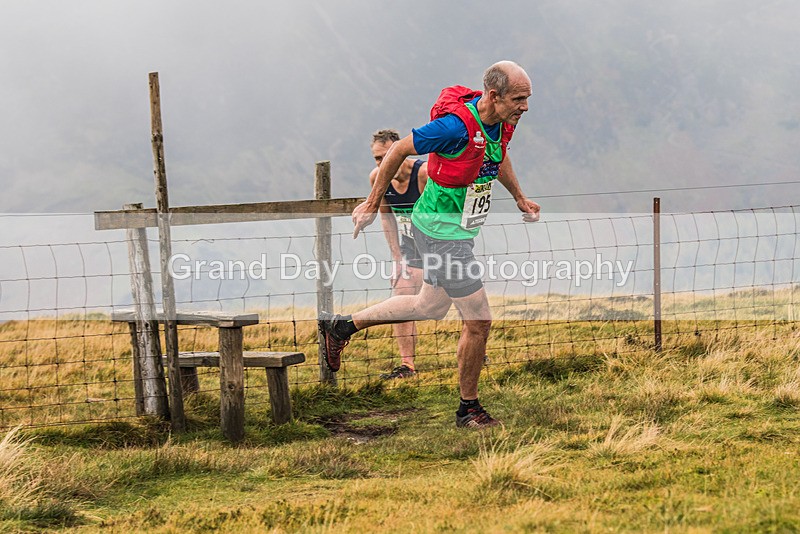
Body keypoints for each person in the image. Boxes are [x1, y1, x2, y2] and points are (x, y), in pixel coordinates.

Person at [320, 60, 540, 428]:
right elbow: (398, 151)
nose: (525, 107)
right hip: (441, 232)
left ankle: (341, 327)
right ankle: (468, 409)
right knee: (480, 321)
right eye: (519, 98)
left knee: (429, 305)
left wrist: (519, 196)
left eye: (528, 98)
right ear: (494, 95)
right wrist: (373, 202)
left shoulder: (501, 124)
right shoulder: (452, 127)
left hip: (453, 230)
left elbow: (496, 157)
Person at [369, 129, 428, 380]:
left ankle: (477, 351)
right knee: (401, 298)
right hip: (409, 250)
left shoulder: (424, 173)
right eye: (377, 159)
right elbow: (386, 217)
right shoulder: (377, 178)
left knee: (462, 300)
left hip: (441, 247)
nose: (383, 164)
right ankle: (407, 365)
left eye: (388, 156)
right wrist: (397, 259)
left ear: (402, 152)